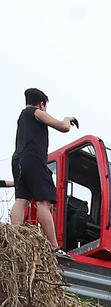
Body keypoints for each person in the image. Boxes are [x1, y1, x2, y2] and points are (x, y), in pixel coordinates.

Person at [9, 89, 78, 251]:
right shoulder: (36, 112)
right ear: (41, 104)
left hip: (18, 160)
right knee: (44, 202)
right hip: (33, 159)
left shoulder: (22, 117)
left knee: (21, 199)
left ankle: (14, 238)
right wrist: (68, 119)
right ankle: (54, 246)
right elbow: (63, 127)